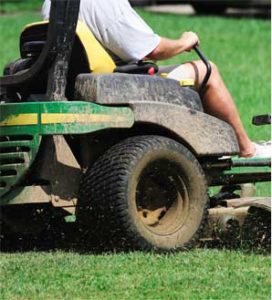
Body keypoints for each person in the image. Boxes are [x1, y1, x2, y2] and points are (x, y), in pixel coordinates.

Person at [42, 0, 270, 158]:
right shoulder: (105, 3)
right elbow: (150, 50)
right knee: (207, 70)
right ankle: (246, 149)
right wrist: (184, 42)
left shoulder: (51, 4)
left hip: (81, 86)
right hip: (117, 87)